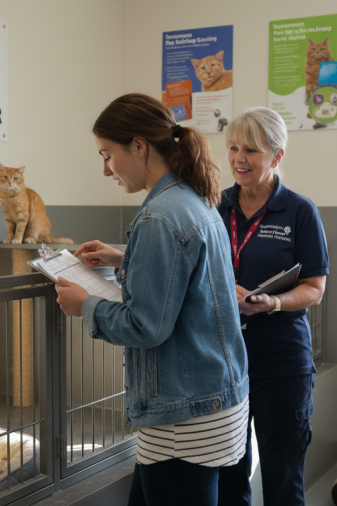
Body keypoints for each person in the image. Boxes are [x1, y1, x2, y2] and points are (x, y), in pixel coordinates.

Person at [54, 93, 249, 506]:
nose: (105, 169)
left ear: (139, 146)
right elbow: (184, 274)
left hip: (183, 420)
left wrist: (84, 305)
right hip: (213, 398)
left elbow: (146, 326)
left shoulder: (159, 216)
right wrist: (124, 257)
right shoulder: (191, 198)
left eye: (107, 155)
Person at [216, 107, 329, 506]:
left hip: (281, 363)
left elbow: (314, 288)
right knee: (229, 476)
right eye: (233, 148)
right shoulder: (216, 206)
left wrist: (274, 302)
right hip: (224, 361)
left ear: (277, 155)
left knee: (283, 477)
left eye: (251, 150)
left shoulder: (299, 211)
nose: (238, 159)